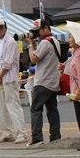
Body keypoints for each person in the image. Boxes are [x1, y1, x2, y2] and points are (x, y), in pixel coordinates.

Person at [25, 19, 62, 148]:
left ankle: (37, 138)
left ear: (46, 28)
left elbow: (34, 59)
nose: (37, 34)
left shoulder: (45, 43)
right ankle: (55, 136)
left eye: (38, 31)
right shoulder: (55, 41)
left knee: (35, 109)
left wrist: (30, 45)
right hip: (53, 81)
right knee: (52, 109)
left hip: (42, 82)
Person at [0, 18, 26, 143]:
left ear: (5, 27)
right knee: (0, 107)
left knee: (13, 105)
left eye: (1, 27)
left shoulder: (11, 41)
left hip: (9, 78)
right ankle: (7, 132)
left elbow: (8, 63)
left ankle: (21, 132)